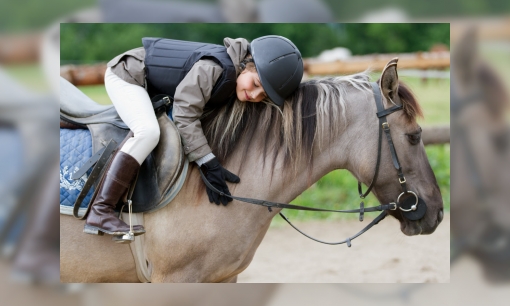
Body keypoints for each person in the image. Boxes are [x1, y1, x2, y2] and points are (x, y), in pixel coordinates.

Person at [83, 35, 304, 237]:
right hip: (127, 75)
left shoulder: (235, 75)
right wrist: (208, 162)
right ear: (246, 65)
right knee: (148, 132)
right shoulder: (213, 69)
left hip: (149, 83)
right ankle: (101, 209)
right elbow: (185, 113)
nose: (253, 95)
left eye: (262, 95)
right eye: (255, 84)